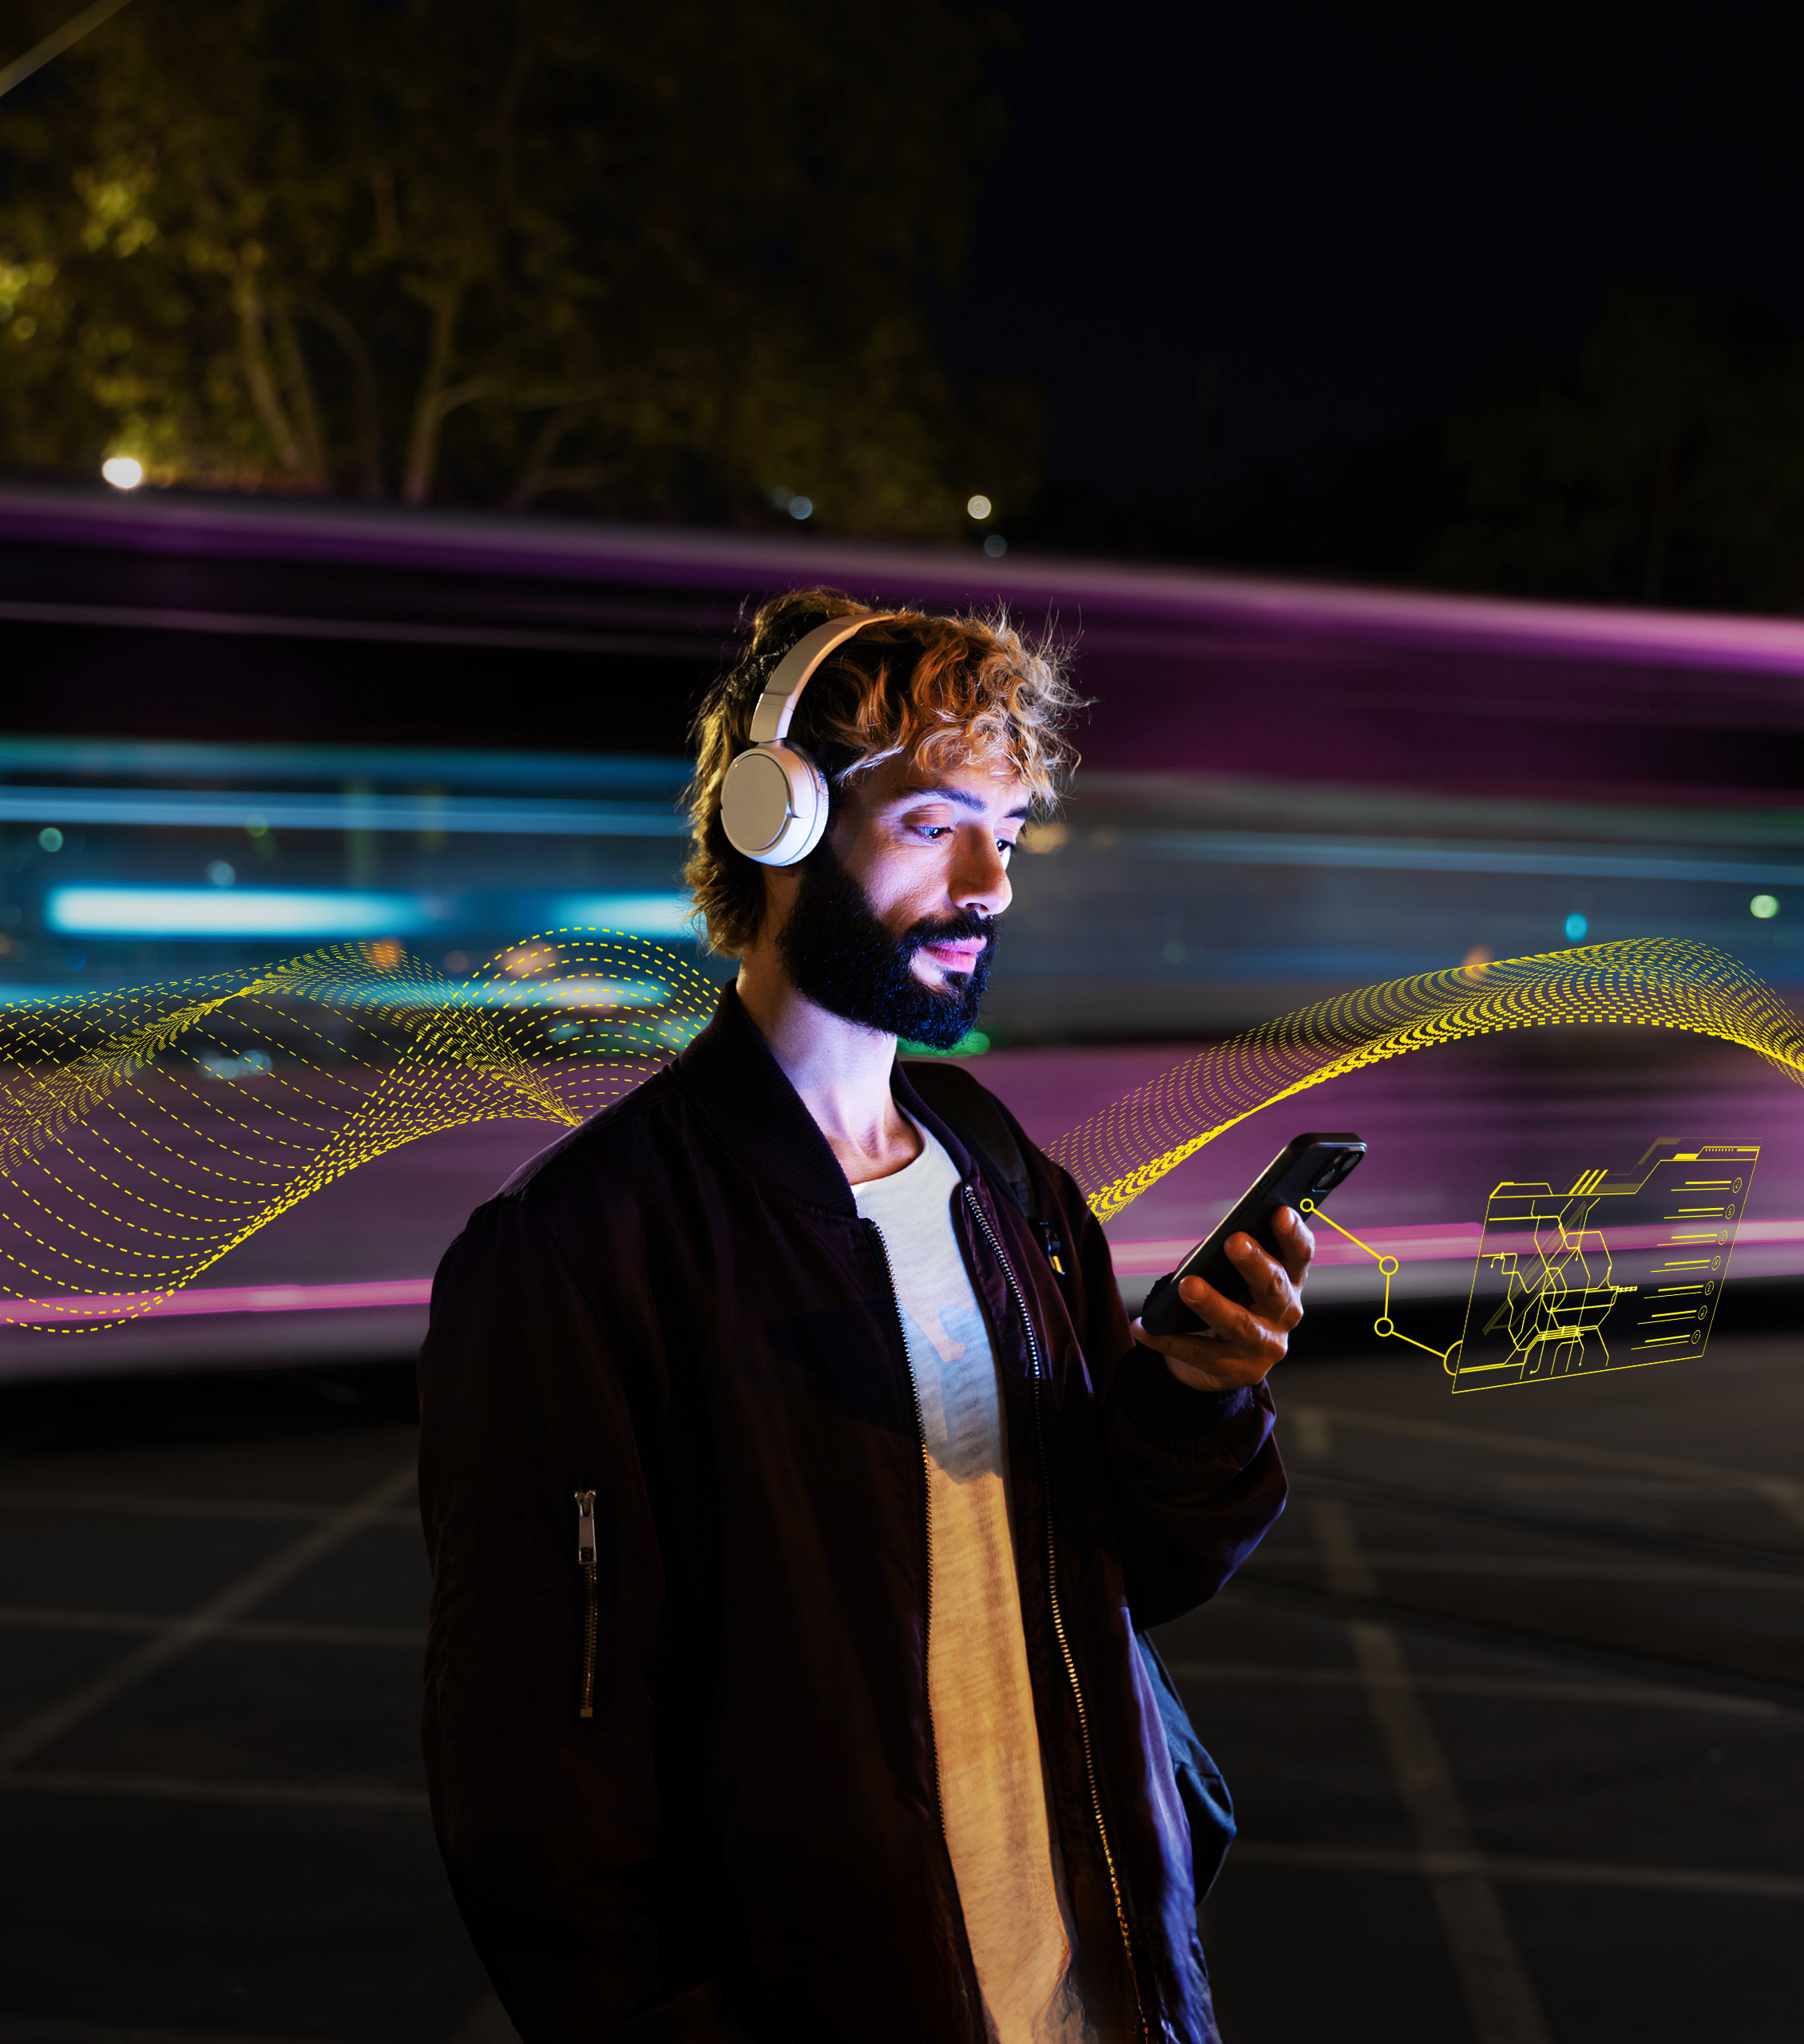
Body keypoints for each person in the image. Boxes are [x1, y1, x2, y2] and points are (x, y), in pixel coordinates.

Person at [418, 588, 1307, 2042]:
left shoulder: (1000, 1174)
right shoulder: (581, 1248)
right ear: (777, 824)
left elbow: (1126, 1573)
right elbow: (536, 1779)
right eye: (931, 827)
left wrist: (1194, 1397)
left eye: (1009, 835)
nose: (992, 883)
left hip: (1114, 2002)